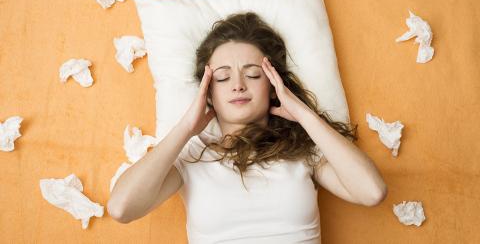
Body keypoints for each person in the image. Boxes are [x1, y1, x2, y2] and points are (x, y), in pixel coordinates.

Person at [107, 12, 387, 243]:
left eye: (253, 74)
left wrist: (304, 115)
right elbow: (121, 208)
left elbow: (372, 192)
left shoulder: (304, 152)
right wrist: (185, 128)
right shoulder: (192, 155)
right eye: (223, 77)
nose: (238, 84)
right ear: (208, 92)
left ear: (273, 86)